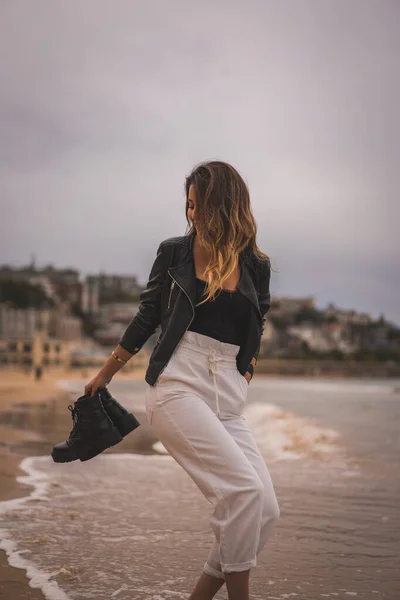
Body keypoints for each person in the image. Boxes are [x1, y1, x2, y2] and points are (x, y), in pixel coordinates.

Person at [85, 160, 280, 600]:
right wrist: (106, 373)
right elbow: (147, 315)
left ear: (222, 205)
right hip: (177, 383)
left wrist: (246, 372)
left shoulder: (256, 266)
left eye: (198, 205)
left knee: (264, 509)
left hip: (227, 392)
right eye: (188, 206)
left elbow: (258, 323)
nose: (191, 214)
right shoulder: (174, 251)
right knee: (243, 492)